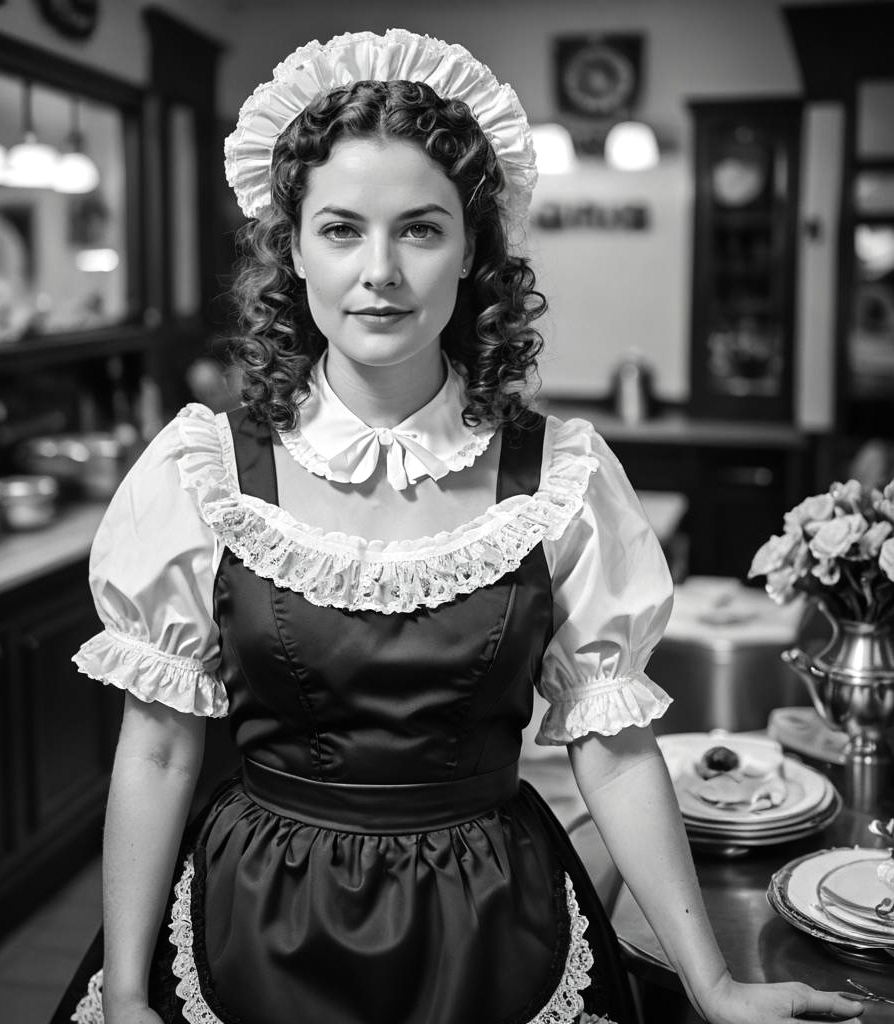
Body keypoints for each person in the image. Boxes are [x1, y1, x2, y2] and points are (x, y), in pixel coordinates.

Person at [53, 29, 865, 1024]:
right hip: (254, 921)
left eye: (421, 229)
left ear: (473, 246)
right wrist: (131, 994)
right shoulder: (204, 470)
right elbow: (160, 749)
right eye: (342, 229)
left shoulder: (556, 475)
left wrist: (714, 981)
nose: (380, 272)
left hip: (493, 924)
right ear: (293, 246)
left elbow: (611, 749)